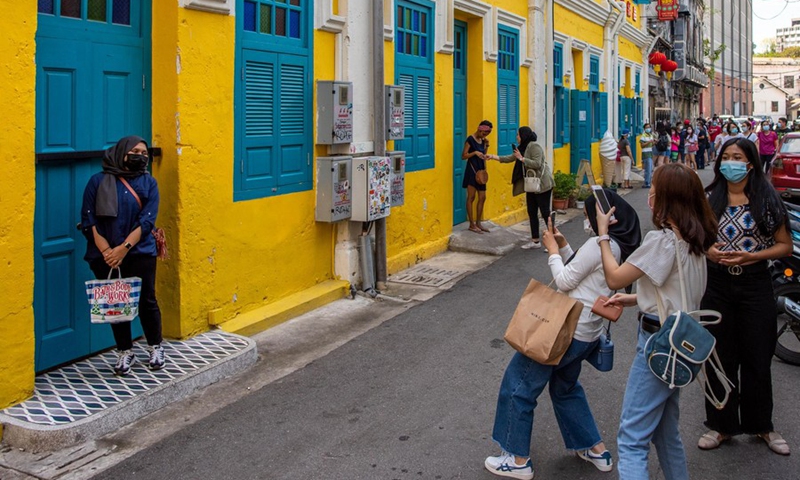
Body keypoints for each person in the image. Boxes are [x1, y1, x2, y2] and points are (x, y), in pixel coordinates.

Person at [484, 191, 642, 480]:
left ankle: (517, 459)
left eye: (590, 215)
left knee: (518, 386)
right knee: (564, 387)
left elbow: (566, 280)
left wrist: (552, 251)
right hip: (586, 336)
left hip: (562, 331)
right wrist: (565, 248)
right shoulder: (615, 247)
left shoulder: (598, 243)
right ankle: (596, 449)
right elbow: (585, 275)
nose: (587, 219)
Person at [597, 163, 718, 480]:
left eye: (653, 188)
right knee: (666, 435)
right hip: (681, 343)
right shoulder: (694, 239)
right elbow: (678, 290)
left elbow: (613, 277)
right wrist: (637, 297)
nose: (649, 194)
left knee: (632, 440)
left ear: (666, 199)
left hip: (657, 344)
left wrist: (602, 235)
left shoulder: (662, 241)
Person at [697, 138, 792, 456]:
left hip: (755, 286)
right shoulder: (709, 199)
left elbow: (785, 245)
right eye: (725, 157)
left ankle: (762, 425)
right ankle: (720, 426)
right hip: (717, 286)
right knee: (719, 357)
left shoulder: (766, 200)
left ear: (750, 163)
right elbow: (694, 238)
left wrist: (753, 257)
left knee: (757, 356)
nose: (730, 163)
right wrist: (707, 249)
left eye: (737, 157)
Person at [81, 135, 165, 376]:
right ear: (121, 153)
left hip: (139, 251)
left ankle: (155, 347)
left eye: (145, 153)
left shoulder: (149, 183)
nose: (141, 156)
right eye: (135, 151)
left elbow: (147, 220)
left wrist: (123, 248)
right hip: (104, 254)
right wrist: (107, 251)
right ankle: (124, 351)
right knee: (116, 303)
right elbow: (89, 219)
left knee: (147, 301)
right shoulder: (97, 182)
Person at [489, 127, 553, 250]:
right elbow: (508, 158)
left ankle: (554, 239)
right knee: (532, 212)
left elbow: (537, 163)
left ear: (524, 135)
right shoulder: (522, 148)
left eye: (518, 135)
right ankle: (535, 241)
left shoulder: (534, 147)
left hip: (542, 184)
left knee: (545, 212)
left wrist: (522, 158)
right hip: (530, 184)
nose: (516, 137)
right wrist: (491, 156)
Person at [462, 120, 493, 234]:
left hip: (481, 171)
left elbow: (483, 155)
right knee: (471, 197)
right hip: (472, 171)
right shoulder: (470, 140)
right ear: (480, 129)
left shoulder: (483, 140)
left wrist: (487, 146)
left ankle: (478, 223)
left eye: (487, 133)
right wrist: (474, 152)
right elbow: (463, 156)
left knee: (482, 197)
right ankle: (471, 224)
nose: (485, 135)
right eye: (484, 133)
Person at [639, 123, 655, 188]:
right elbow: (642, 145)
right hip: (645, 153)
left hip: (650, 153)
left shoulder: (651, 135)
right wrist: (648, 142)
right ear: (644, 129)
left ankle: (648, 181)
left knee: (650, 168)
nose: (648, 129)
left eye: (649, 127)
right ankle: (646, 182)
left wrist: (654, 143)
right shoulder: (643, 136)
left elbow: (651, 145)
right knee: (647, 169)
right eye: (647, 127)